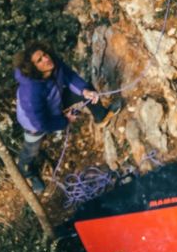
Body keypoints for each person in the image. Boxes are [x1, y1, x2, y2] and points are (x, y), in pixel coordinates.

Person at [13, 39, 112, 194]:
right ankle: (28, 172)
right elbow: (40, 123)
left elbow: (69, 76)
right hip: (34, 122)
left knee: (88, 92)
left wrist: (84, 91)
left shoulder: (54, 64)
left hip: (56, 100)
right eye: (40, 60)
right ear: (33, 68)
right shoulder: (31, 90)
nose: (46, 59)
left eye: (44, 54)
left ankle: (101, 117)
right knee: (31, 150)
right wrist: (63, 121)